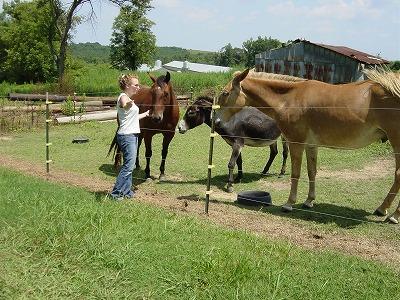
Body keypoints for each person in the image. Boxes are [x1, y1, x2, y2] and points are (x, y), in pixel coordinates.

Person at [109, 74, 150, 200]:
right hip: (127, 136)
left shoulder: (129, 98)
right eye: (136, 85)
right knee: (128, 166)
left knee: (129, 165)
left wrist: (146, 114)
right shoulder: (123, 97)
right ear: (127, 86)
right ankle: (115, 193)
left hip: (132, 135)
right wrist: (128, 105)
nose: (138, 87)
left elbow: (133, 118)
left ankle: (126, 192)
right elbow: (124, 105)